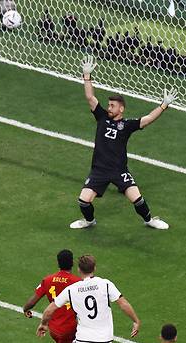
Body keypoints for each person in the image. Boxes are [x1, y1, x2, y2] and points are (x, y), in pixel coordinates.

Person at [70, 55, 177, 230]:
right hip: (99, 170)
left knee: (137, 198)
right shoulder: (102, 117)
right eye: (109, 105)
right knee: (83, 201)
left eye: (112, 105)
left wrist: (163, 105)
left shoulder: (126, 125)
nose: (109, 107)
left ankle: (149, 220)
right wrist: (86, 76)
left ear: (121, 109)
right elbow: (90, 97)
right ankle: (89, 221)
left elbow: (148, 119)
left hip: (119, 170)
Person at [22, 249, 81, 343]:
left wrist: (26, 309)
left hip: (54, 329)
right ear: (72, 263)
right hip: (71, 329)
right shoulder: (77, 282)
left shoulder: (48, 280)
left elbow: (32, 300)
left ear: (58, 263)